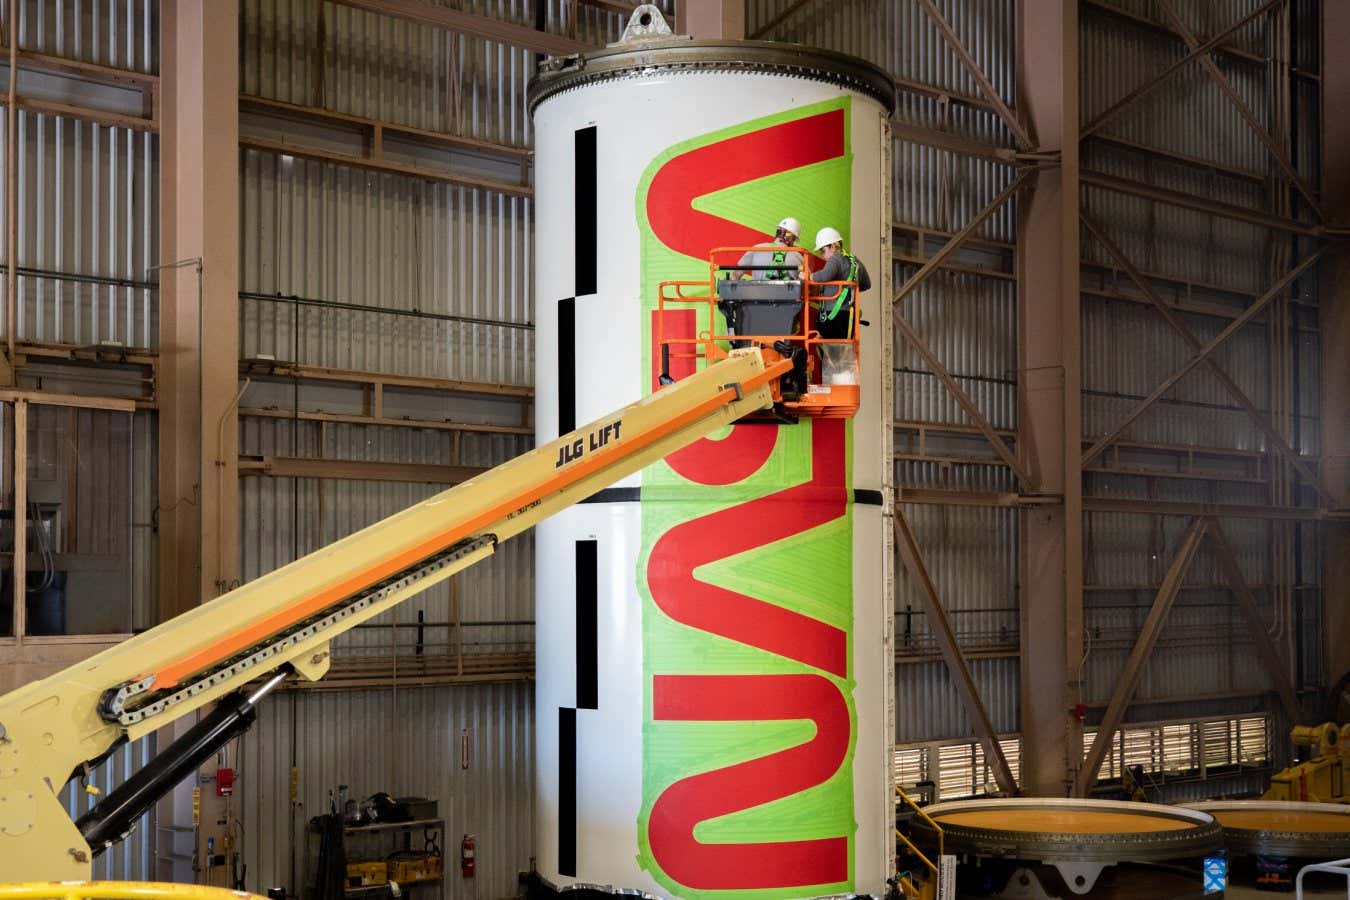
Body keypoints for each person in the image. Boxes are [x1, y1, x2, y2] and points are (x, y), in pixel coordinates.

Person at [809, 226, 871, 339]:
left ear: (832, 247)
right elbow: (867, 284)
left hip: (832, 315)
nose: (822, 256)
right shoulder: (855, 261)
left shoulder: (835, 258)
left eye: (823, 251)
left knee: (829, 348)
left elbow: (823, 276)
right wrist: (849, 290)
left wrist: (809, 276)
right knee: (841, 350)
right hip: (849, 316)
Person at [736, 217, 804, 281]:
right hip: (785, 293)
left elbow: (737, 274)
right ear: (793, 238)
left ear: (778, 232)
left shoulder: (757, 248)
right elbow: (808, 283)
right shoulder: (799, 258)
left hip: (756, 292)